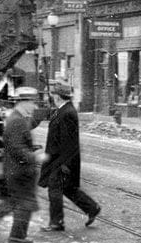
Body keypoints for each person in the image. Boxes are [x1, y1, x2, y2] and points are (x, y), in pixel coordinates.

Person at [38, 82, 100, 231]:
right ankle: (92, 208)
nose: (52, 97)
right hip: (60, 159)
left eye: (53, 94)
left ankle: (56, 222)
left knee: (54, 188)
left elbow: (68, 142)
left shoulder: (66, 113)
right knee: (68, 188)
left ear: (57, 96)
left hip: (61, 161)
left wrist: (64, 164)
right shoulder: (63, 110)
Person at [0, 88, 44, 243]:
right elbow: (17, 147)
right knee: (25, 203)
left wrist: (33, 149)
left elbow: (17, 144)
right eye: (32, 103)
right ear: (24, 103)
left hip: (15, 169)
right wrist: (35, 156)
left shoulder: (17, 118)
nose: (35, 107)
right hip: (20, 170)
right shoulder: (17, 121)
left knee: (16, 201)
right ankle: (17, 236)